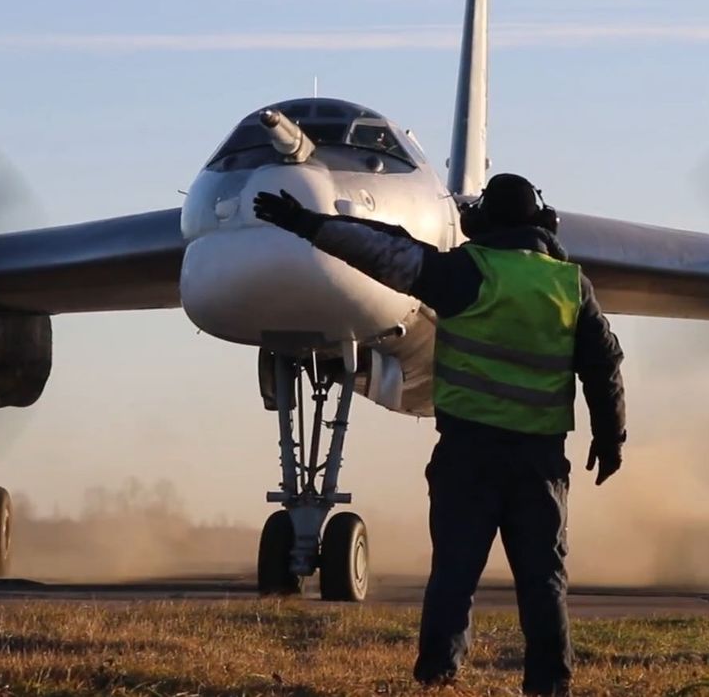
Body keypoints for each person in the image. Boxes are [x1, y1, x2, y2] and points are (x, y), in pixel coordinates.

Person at [255, 173, 626, 696]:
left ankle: (438, 675)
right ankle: (549, 684)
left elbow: (384, 252)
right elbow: (604, 363)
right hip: (538, 460)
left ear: (480, 222)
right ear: (543, 224)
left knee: (454, 573)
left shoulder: (464, 274)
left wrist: (308, 224)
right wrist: (610, 439)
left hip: (468, 456)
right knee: (543, 581)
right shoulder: (570, 285)